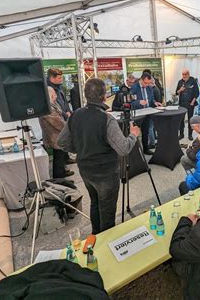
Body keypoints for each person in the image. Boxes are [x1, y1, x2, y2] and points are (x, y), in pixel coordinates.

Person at [57, 79, 140, 234]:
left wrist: (80, 149)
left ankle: (95, 235)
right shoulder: (107, 119)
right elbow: (123, 148)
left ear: (85, 95)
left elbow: (61, 142)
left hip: (86, 171)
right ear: (104, 96)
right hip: (106, 174)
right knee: (107, 210)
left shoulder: (75, 115)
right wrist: (134, 135)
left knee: (95, 202)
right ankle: (106, 244)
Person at [39, 87, 72, 178]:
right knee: (58, 159)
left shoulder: (52, 105)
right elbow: (58, 123)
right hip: (54, 137)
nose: (56, 96)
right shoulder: (48, 108)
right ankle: (59, 179)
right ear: (50, 95)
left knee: (60, 158)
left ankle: (62, 174)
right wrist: (70, 127)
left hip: (57, 136)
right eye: (54, 94)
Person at [130, 72, 162, 155]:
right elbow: (130, 102)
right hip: (137, 114)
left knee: (146, 132)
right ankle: (135, 152)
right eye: (145, 83)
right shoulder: (134, 87)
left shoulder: (149, 87)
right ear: (141, 80)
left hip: (147, 113)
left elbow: (151, 99)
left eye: (148, 83)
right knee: (135, 132)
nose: (147, 85)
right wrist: (139, 102)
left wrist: (155, 103)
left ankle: (146, 149)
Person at [176, 69, 200, 140]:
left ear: (188, 74)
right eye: (183, 74)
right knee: (181, 120)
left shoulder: (193, 81)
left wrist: (193, 102)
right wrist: (180, 90)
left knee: (190, 120)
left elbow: (197, 93)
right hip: (182, 104)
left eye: (185, 74)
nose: (184, 76)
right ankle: (181, 134)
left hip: (190, 104)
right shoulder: (180, 82)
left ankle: (190, 134)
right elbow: (176, 92)